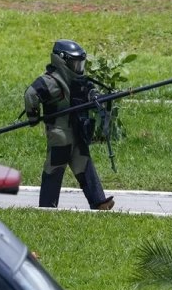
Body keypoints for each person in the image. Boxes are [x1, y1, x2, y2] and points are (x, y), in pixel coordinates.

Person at [24, 39, 114, 210]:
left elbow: (90, 91)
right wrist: (33, 117)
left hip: (78, 130)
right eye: (74, 64)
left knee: (84, 164)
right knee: (55, 168)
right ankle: (47, 207)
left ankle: (99, 202)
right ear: (62, 61)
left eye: (80, 64)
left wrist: (98, 98)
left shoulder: (78, 81)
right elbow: (31, 94)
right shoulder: (50, 81)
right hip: (60, 134)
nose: (78, 68)